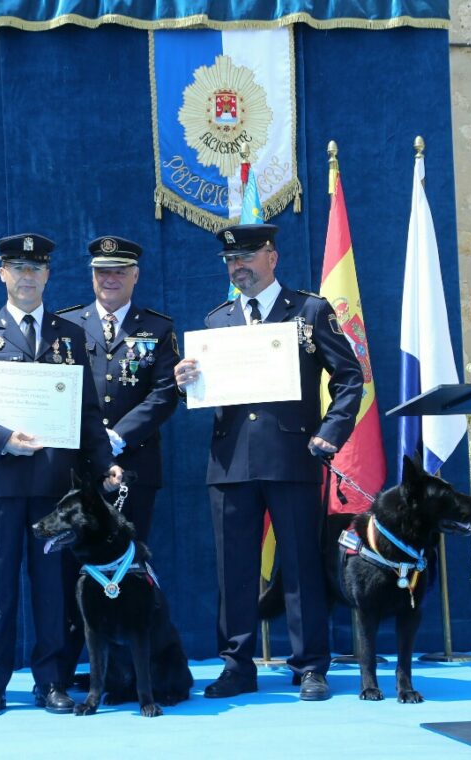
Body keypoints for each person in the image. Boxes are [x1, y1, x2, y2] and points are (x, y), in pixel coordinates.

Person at [174, 223, 362, 701]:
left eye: (248, 258)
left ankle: (311, 665)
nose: (239, 268)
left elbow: (349, 377)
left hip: (293, 456)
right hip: (231, 461)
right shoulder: (216, 321)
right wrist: (186, 380)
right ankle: (237, 664)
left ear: (272, 258)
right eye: (231, 262)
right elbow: (207, 392)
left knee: (300, 565)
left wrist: (330, 433)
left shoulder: (309, 311)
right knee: (233, 569)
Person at [0, 233, 123, 718]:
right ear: (2, 274)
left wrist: (105, 463)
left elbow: (86, 412)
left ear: (47, 275)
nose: (26, 277)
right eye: (17, 269)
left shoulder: (71, 334)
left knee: (51, 590)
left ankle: (52, 681)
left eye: (35, 269)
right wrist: (1, 438)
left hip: (52, 489)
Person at [55, 235, 180, 685]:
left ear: (135, 275)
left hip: (134, 469)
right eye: (101, 272)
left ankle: (133, 675)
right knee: (73, 575)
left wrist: (116, 437)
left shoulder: (159, 328)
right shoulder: (66, 325)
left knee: (129, 574)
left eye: (119, 271)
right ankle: (70, 670)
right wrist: (94, 444)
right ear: (91, 276)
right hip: (81, 474)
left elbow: (166, 394)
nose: (110, 279)